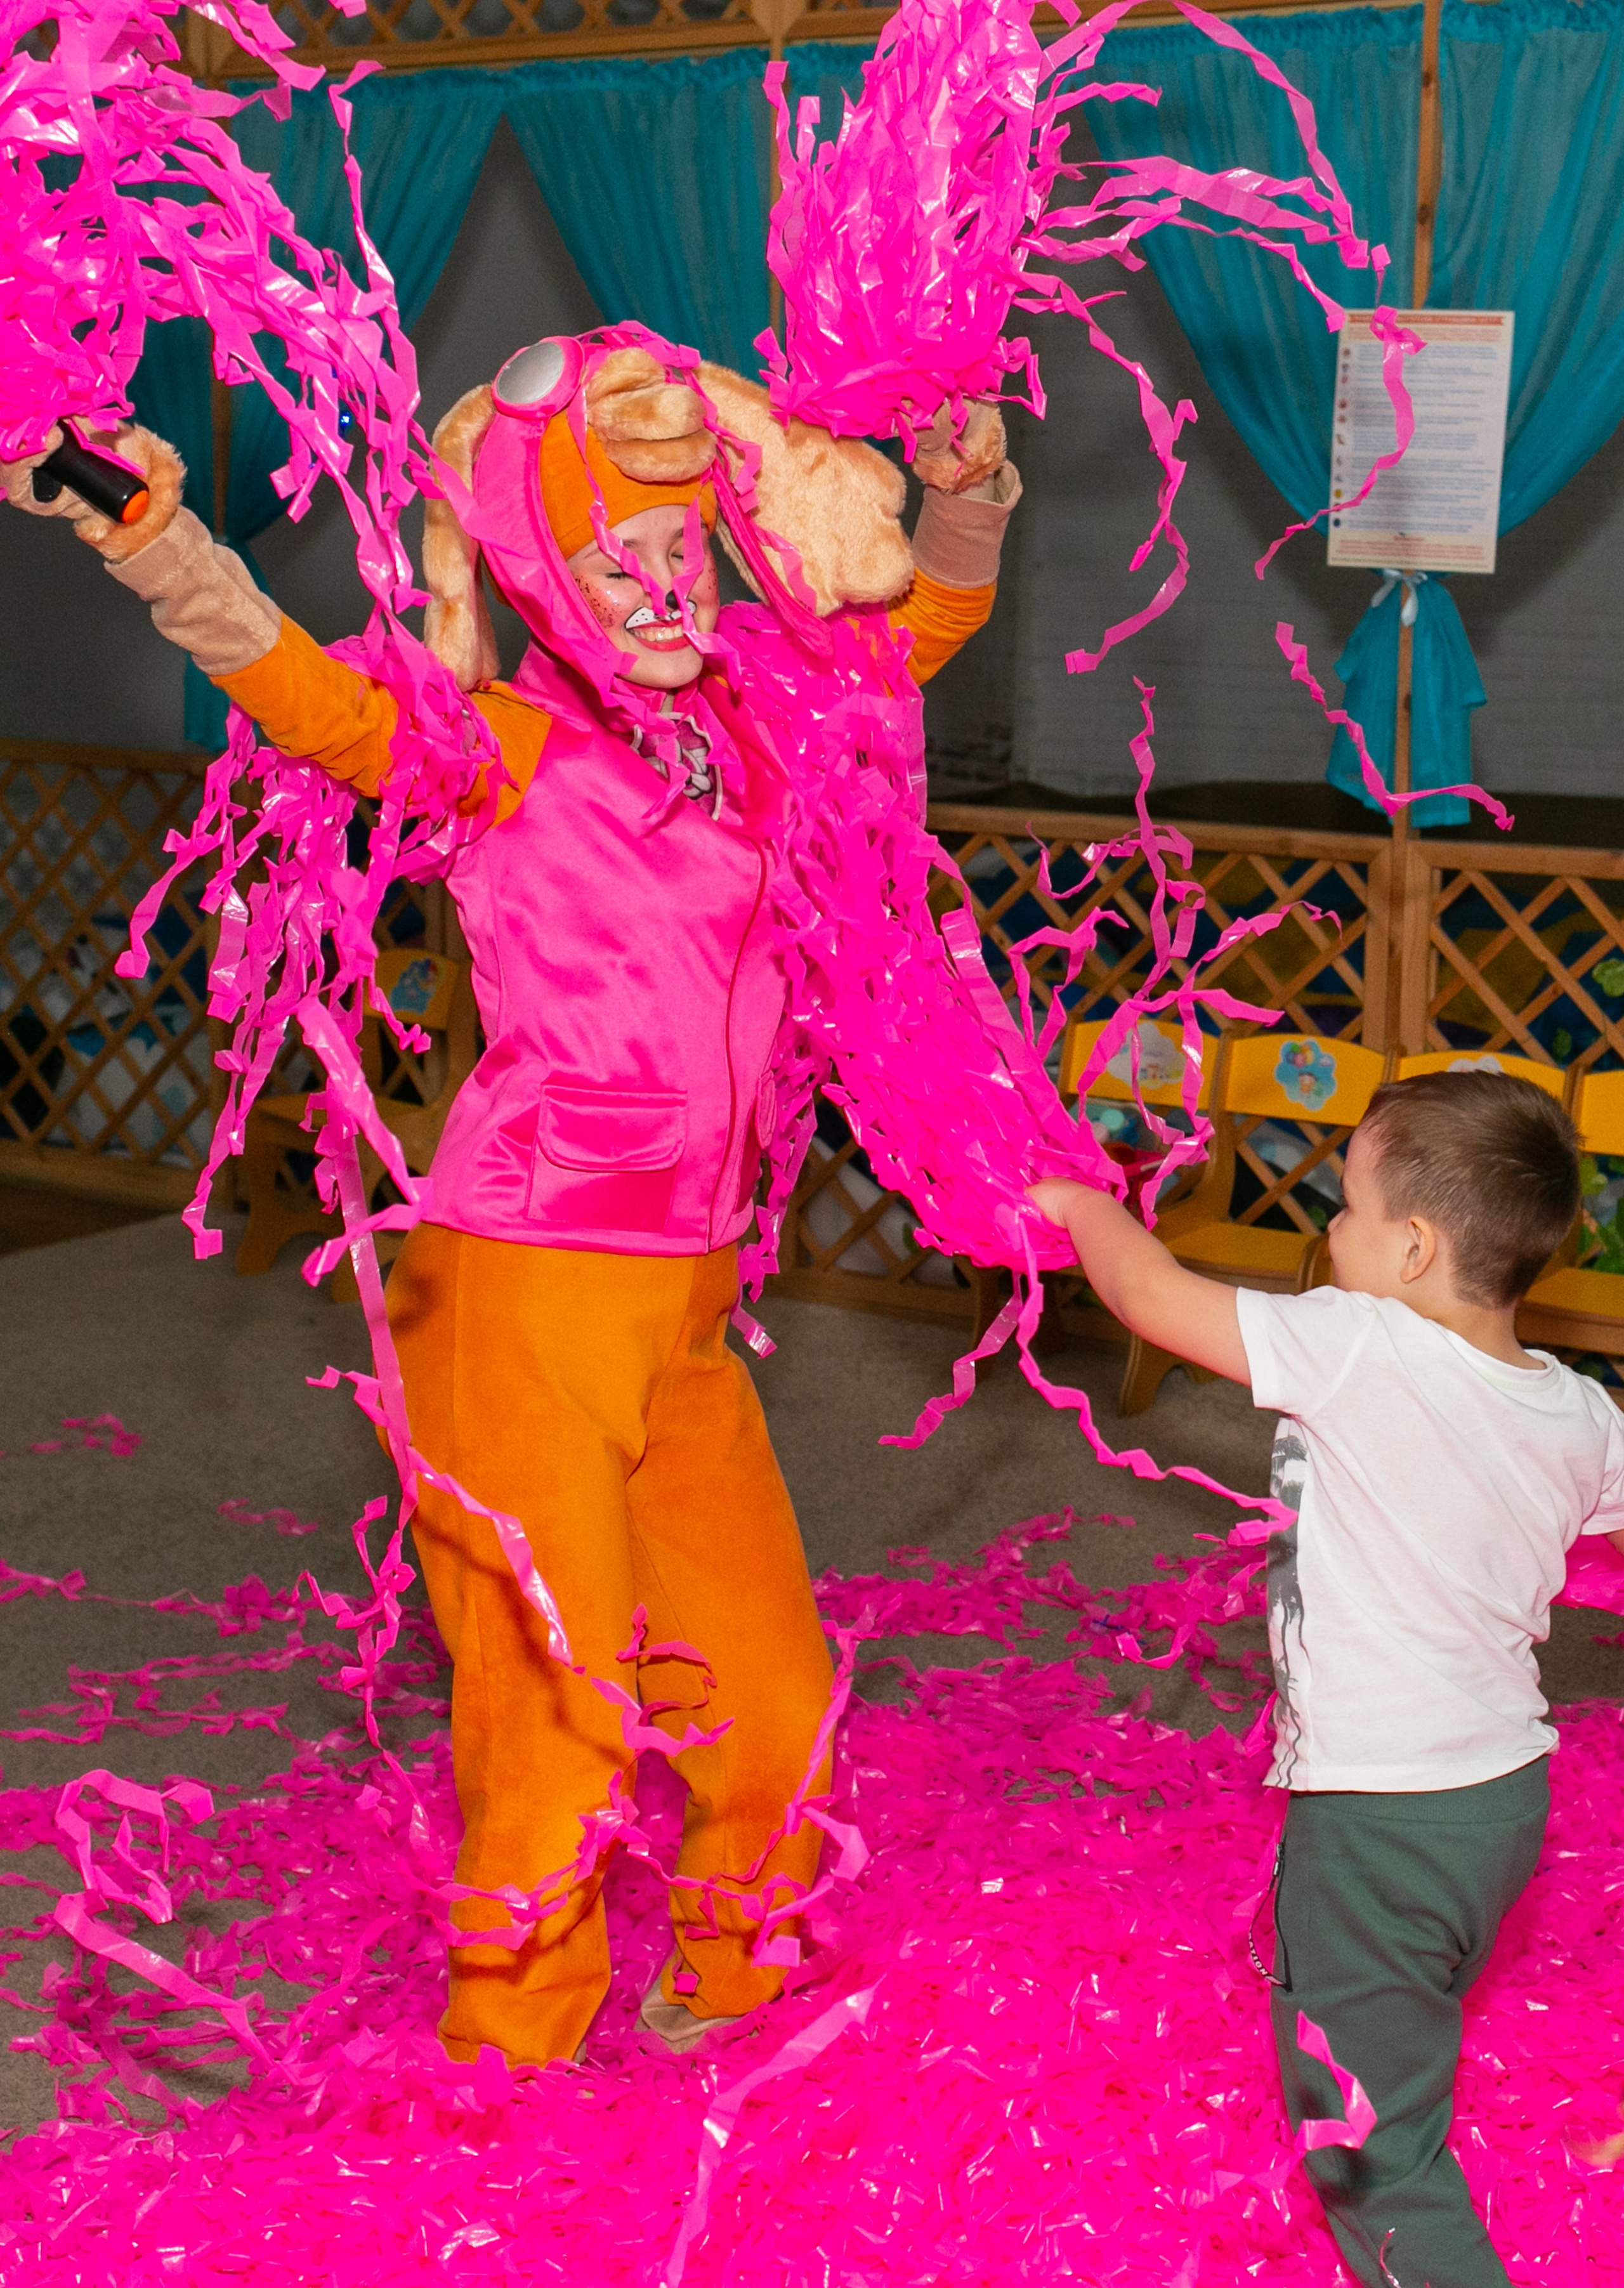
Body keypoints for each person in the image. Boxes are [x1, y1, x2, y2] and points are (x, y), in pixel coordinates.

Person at [1, 332, 1021, 2068]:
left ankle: (733, 1986)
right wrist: (157, 543)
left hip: (691, 1307)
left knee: (768, 1696)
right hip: (523, 1284)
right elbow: (312, 701)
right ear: (549, 567)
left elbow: (916, 630)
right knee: (559, 1713)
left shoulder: (755, 720)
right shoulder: (503, 745)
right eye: (620, 557)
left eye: (683, 551)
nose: (661, 587)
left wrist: (966, 492)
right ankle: (513, 2061)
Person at [1032, 1067, 1624, 2288]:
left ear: (1411, 1251)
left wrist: (1079, 1202)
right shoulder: (1582, 1411)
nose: (1329, 1229)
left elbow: (1148, 1293)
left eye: (1346, 1207)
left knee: (1373, 2151)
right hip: (1502, 1804)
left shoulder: (1357, 1345)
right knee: (1396, 1998)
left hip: (1381, 1820)